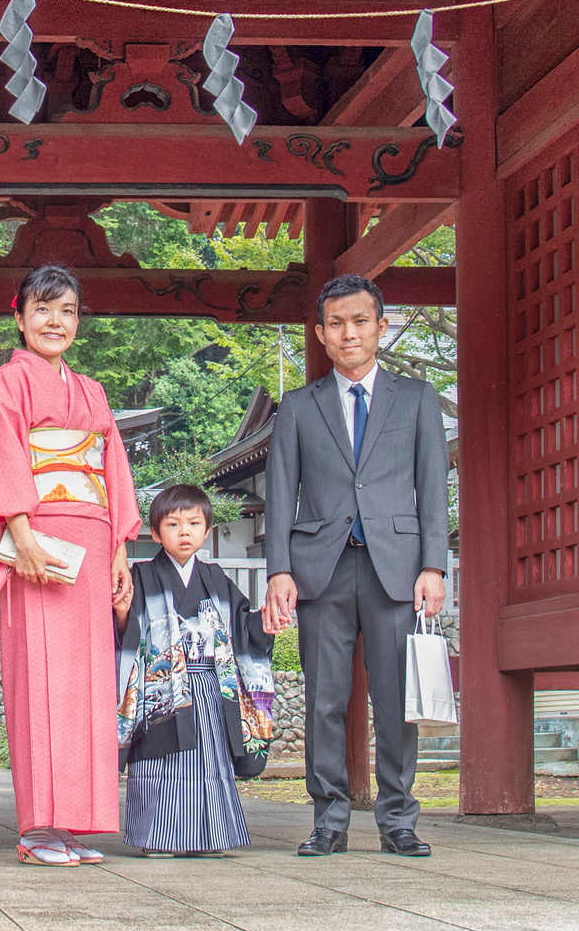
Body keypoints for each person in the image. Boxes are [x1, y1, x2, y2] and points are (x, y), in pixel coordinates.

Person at [261, 272, 449, 857]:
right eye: (336, 324)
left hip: (397, 567)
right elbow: (280, 492)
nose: (349, 334)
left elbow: (432, 487)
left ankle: (398, 819)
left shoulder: (416, 399)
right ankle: (330, 820)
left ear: (380, 326)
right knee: (325, 699)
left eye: (360, 321)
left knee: (397, 699)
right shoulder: (298, 406)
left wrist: (434, 565)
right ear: (320, 333)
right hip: (322, 569)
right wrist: (278, 570)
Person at [0, 263, 139, 865]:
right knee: (40, 683)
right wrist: (20, 534)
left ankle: (72, 828)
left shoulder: (93, 392)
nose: (54, 321)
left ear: (78, 321)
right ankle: (37, 830)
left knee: (87, 687)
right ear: (20, 317)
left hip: (91, 544)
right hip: (37, 540)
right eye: (42, 310)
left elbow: (112, 473)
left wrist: (119, 551)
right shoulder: (6, 385)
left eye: (65, 311)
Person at [115, 482, 276, 857]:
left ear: (207, 529)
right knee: (161, 760)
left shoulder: (216, 578)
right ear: (154, 532)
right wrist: (123, 613)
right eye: (172, 525)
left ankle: (208, 836)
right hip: (162, 689)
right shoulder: (142, 576)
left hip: (210, 686)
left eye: (193, 523)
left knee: (210, 760)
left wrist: (263, 626)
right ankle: (158, 838)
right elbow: (127, 635)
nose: (184, 532)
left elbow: (241, 627)